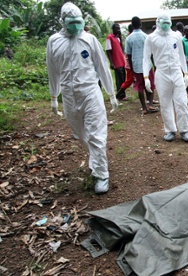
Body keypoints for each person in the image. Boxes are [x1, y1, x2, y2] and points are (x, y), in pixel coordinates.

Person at [46, 2, 118, 194]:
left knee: (96, 134)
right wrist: (54, 96)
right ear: (62, 21)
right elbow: (52, 70)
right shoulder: (54, 41)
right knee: (80, 133)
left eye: (79, 21)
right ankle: (95, 159)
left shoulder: (90, 39)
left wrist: (111, 93)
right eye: (72, 22)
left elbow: (102, 66)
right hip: (69, 95)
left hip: (90, 91)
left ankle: (102, 174)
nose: (76, 25)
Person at [143, 11, 188, 142]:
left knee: (182, 102)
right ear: (158, 22)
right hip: (162, 73)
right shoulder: (151, 38)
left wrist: (185, 73)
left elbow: (181, 55)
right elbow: (146, 58)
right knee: (165, 103)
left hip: (176, 72)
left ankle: (185, 130)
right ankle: (170, 129)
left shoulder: (176, 36)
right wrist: (146, 77)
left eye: (167, 23)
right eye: (163, 23)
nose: (165, 25)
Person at [125, 16, 158, 114]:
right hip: (147, 65)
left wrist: (131, 68)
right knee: (150, 84)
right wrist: (154, 64)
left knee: (140, 87)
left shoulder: (128, 39)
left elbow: (129, 55)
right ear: (140, 24)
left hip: (136, 66)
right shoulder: (146, 36)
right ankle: (150, 104)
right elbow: (151, 53)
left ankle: (144, 108)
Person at [106, 23, 126, 96]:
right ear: (113, 29)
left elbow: (121, 48)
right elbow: (108, 50)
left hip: (122, 61)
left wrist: (120, 37)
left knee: (123, 78)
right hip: (116, 62)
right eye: (116, 28)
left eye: (119, 28)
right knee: (119, 79)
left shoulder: (117, 38)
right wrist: (111, 62)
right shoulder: (109, 37)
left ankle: (122, 93)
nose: (118, 30)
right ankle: (120, 95)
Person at [117, 24, 134, 101]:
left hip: (131, 63)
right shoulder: (130, 38)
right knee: (128, 81)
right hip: (130, 64)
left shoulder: (129, 37)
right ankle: (117, 95)